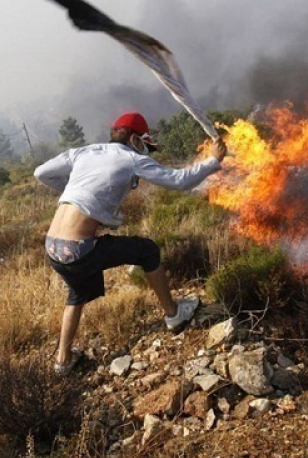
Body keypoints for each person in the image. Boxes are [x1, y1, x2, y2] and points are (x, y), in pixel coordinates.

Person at [35, 112, 227, 375]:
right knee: (147, 251)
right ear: (135, 139)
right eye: (145, 145)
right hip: (79, 249)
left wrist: (75, 191)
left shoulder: (83, 152)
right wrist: (213, 161)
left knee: (77, 294)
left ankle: (62, 361)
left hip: (53, 248)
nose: (147, 150)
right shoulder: (131, 158)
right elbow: (179, 181)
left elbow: (40, 172)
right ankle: (173, 314)